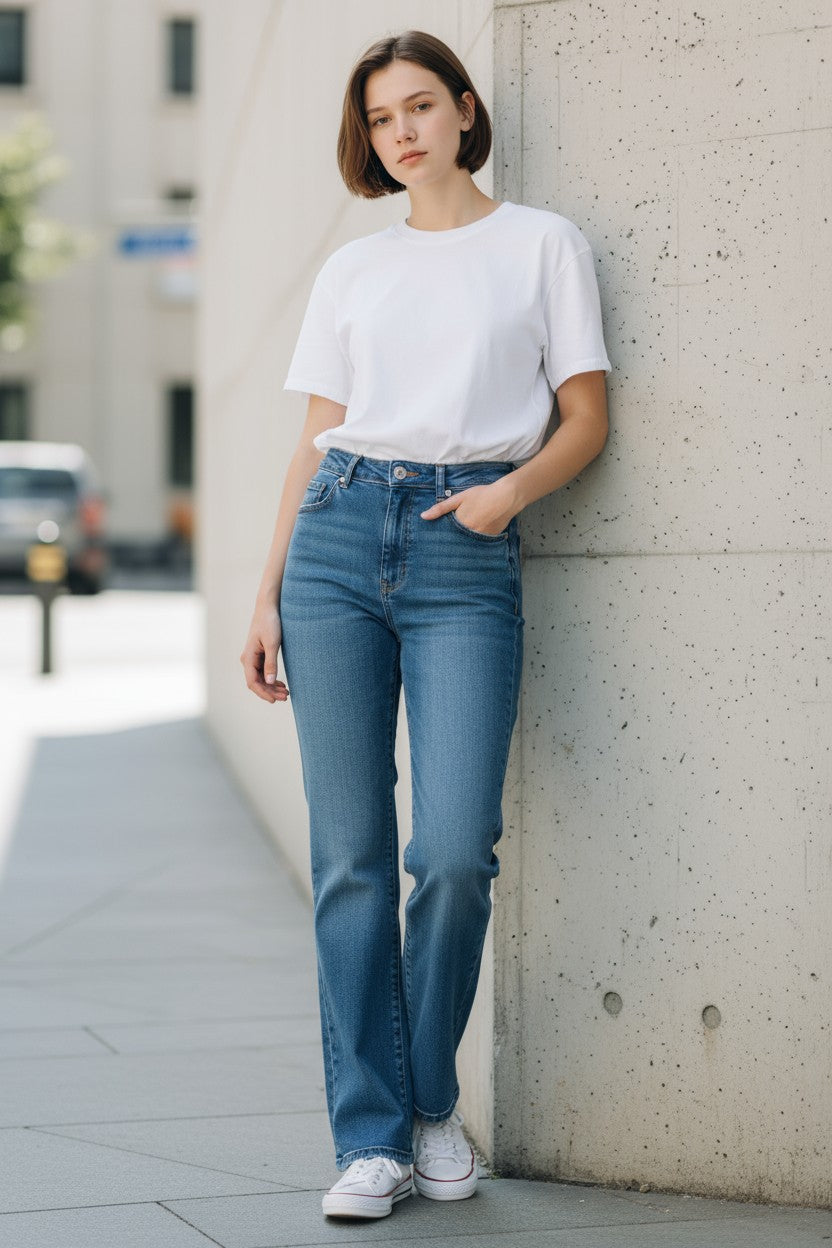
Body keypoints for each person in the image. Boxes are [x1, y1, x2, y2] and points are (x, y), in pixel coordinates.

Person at [240, 28, 612, 1223]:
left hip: (466, 547)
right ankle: (373, 1138)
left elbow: (585, 417)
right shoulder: (354, 271)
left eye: (419, 107)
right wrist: (266, 591)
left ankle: (427, 1101)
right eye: (380, 118)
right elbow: (314, 440)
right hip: (339, 544)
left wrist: (506, 495)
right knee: (348, 856)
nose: (401, 132)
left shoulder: (542, 244)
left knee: (450, 851)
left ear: (462, 109)